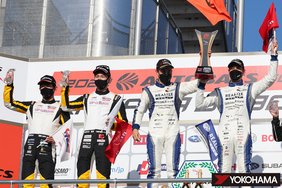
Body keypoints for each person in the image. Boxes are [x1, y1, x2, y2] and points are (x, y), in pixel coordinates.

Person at [195, 40, 279, 173]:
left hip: (243, 134)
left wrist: (274, 56)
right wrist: (201, 84)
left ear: (243, 71)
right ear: (228, 71)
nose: (235, 70)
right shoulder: (220, 92)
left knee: (244, 170)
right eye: (232, 68)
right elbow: (199, 105)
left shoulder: (250, 89)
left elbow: (271, 78)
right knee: (224, 171)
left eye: (238, 68)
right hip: (225, 135)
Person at [132, 59, 201, 188]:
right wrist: (135, 128)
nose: (167, 73)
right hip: (154, 134)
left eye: (169, 70)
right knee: (154, 173)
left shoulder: (178, 88)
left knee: (173, 172)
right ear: (157, 72)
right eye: (164, 70)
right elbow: (139, 110)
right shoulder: (148, 90)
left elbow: (197, 84)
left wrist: (203, 63)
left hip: (172, 133)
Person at [60, 65, 128, 188]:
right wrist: (65, 88)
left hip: (104, 137)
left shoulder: (116, 99)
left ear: (109, 79)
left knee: (103, 177)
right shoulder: (87, 97)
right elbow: (65, 107)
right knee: (82, 175)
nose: (99, 78)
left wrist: (112, 125)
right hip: (87, 136)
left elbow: (124, 124)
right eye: (97, 76)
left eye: (102, 76)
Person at [3, 73, 70, 188]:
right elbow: (9, 104)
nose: (45, 88)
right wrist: (9, 85)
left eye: (48, 85)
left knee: (46, 183)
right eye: (42, 85)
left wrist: (56, 138)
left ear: (54, 87)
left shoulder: (61, 107)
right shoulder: (32, 105)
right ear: (39, 88)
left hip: (48, 145)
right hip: (30, 144)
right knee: (26, 182)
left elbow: (68, 127)